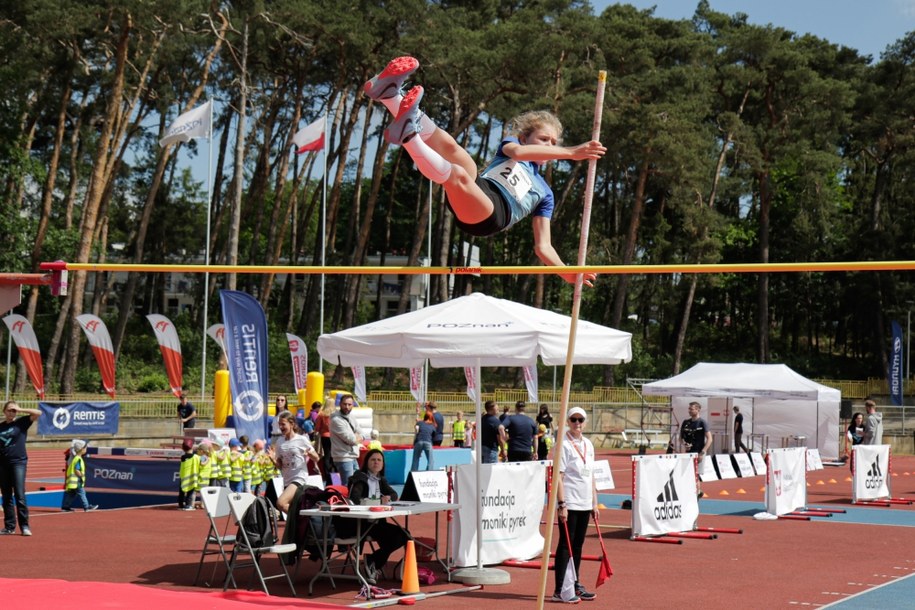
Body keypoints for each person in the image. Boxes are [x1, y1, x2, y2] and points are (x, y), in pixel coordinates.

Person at [366, 56, 605, 286]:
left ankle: (408, 134)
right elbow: (521, 154)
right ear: (524, 137)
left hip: (491, 216)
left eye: (554, 143)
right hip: (481, 186)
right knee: (460, 157)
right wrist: (572, 153)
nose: (550, 146)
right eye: (544, 139)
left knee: (459, 175)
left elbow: (543, 247)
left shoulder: (545, 193)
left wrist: (567, 274)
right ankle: (389, 96)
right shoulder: (511, 146)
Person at [553, 406, 598, 603]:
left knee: (578, 545)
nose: (577, 423)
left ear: (585, 422)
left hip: (585, 502)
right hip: (570, 502)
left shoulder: (588, 444)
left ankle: (575, 583)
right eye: (573, 420)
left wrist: (595, 503)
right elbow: (558, 477)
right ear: (568, 422)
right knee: (565, 545)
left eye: (580, 420)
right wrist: (562, 503)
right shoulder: (563, 445)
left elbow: (592, 476)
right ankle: (560, 588)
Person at [344, 449, 409, 582]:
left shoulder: (380, 479)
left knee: (405, 535)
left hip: (377, 522)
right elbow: (355, 500)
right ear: (366, 462)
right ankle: (373, 562)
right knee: (400, 536)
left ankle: (373, 560)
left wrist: (387, 497)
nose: (376, 462)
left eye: (379, 460)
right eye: (373, 460)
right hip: (361, 523)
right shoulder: (360, 478)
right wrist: (378, 501)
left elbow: (394, 495)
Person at [0, 400, 41, 535]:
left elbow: (38, 413)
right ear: (4, 411)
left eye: (13, 410)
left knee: (20, 494)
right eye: (9, 410)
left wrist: (20, 408)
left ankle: (25, 526)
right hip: (3, 464)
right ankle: (9, 526)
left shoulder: (21, 423)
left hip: (18, 463)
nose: (11, 412)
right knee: (6, 496)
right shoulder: (0, 427)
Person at [270, 410, 319, 514]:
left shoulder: (301, 439)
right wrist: (273, 459)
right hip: (287, 480)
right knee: (291, 507)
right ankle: (302, 521)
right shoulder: (279, 442)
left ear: (291, 424)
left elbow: (316, 458)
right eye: (279, 425)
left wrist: (310, 453)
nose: (281, 427)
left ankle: (302, 519)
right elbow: (280, 466)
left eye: (283, 424)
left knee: (281, 503)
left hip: (299, 478)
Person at [330, 394, 364, 486]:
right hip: (343, 457)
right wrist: (356, 437)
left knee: (356, 484)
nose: (347, 407)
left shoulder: (351, 417)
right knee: (348, 486)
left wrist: (358, 437)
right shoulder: (336, 419)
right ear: (340, 404)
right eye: (344, 404)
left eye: (349, 404)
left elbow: (362, 433)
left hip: (352, 456)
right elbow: (351, 440)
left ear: (353, 405)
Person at [680, 402, 712, 499]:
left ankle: (696, 494)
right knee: (688, 474)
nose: (690, 410)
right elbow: (680, 438)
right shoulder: (686, 422)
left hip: (698, 453)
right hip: (688, 453)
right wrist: (685, 444)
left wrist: (702, 452)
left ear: (698, 410)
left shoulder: (702, 422)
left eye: (692, 409)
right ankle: (696, 492)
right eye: (689, 409)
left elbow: (710, 439)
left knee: (695, 475)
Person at [61, 439, 98, 512]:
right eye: (85, 448)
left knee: (72, 494)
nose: (86, 449)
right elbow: (76, 470)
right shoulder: (78, 459)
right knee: (82, 493)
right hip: (77, 480)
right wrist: (81, 475)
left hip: (73, 482)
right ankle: (86, 506)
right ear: (82, 449)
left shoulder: (75, 458)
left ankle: (66, 506)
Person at [315, 398, 336, 485]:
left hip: (324, 436)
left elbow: (317, 427)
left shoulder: (321, 414)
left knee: (326, 457)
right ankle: (335, 479)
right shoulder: (335, 414)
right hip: (335, 437)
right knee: (334, 458)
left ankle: (328, 479)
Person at [178, 438, 198, 510]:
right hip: (192, 477)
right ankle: (188, 505)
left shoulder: (183, 457)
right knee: (190, 492)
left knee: (182, 492)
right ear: (192, 447)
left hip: (183, 477)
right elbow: (202, 462)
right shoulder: (195, 457)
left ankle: (180, 505)